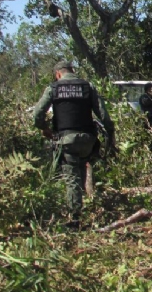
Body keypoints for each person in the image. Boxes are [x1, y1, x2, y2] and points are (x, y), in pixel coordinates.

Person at [34, 60, 115, 228]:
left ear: (58, 74)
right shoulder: (87, 87)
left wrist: (45, 128)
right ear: (72, 71)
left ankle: (74, 219)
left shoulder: (53, 88)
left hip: (66, 140)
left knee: (72, 178)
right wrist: (111, 137)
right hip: (87, 140)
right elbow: (104, 115)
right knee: (83, 165)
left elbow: (37, 115)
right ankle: (88, 199)